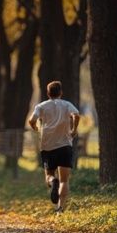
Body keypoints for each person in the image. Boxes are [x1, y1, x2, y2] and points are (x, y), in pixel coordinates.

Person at [29, 81, 80, 213]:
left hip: (47, 146)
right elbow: (76, 115)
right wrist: (74, 129)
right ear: (61, 93)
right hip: (65, 145)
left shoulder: (41, 106)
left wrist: (35, 128)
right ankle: (60, 208)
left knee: (49, 176)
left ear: (48, 93)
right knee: (64, 180)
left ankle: (53, 181)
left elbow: (31, 120)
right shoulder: (67, 104)